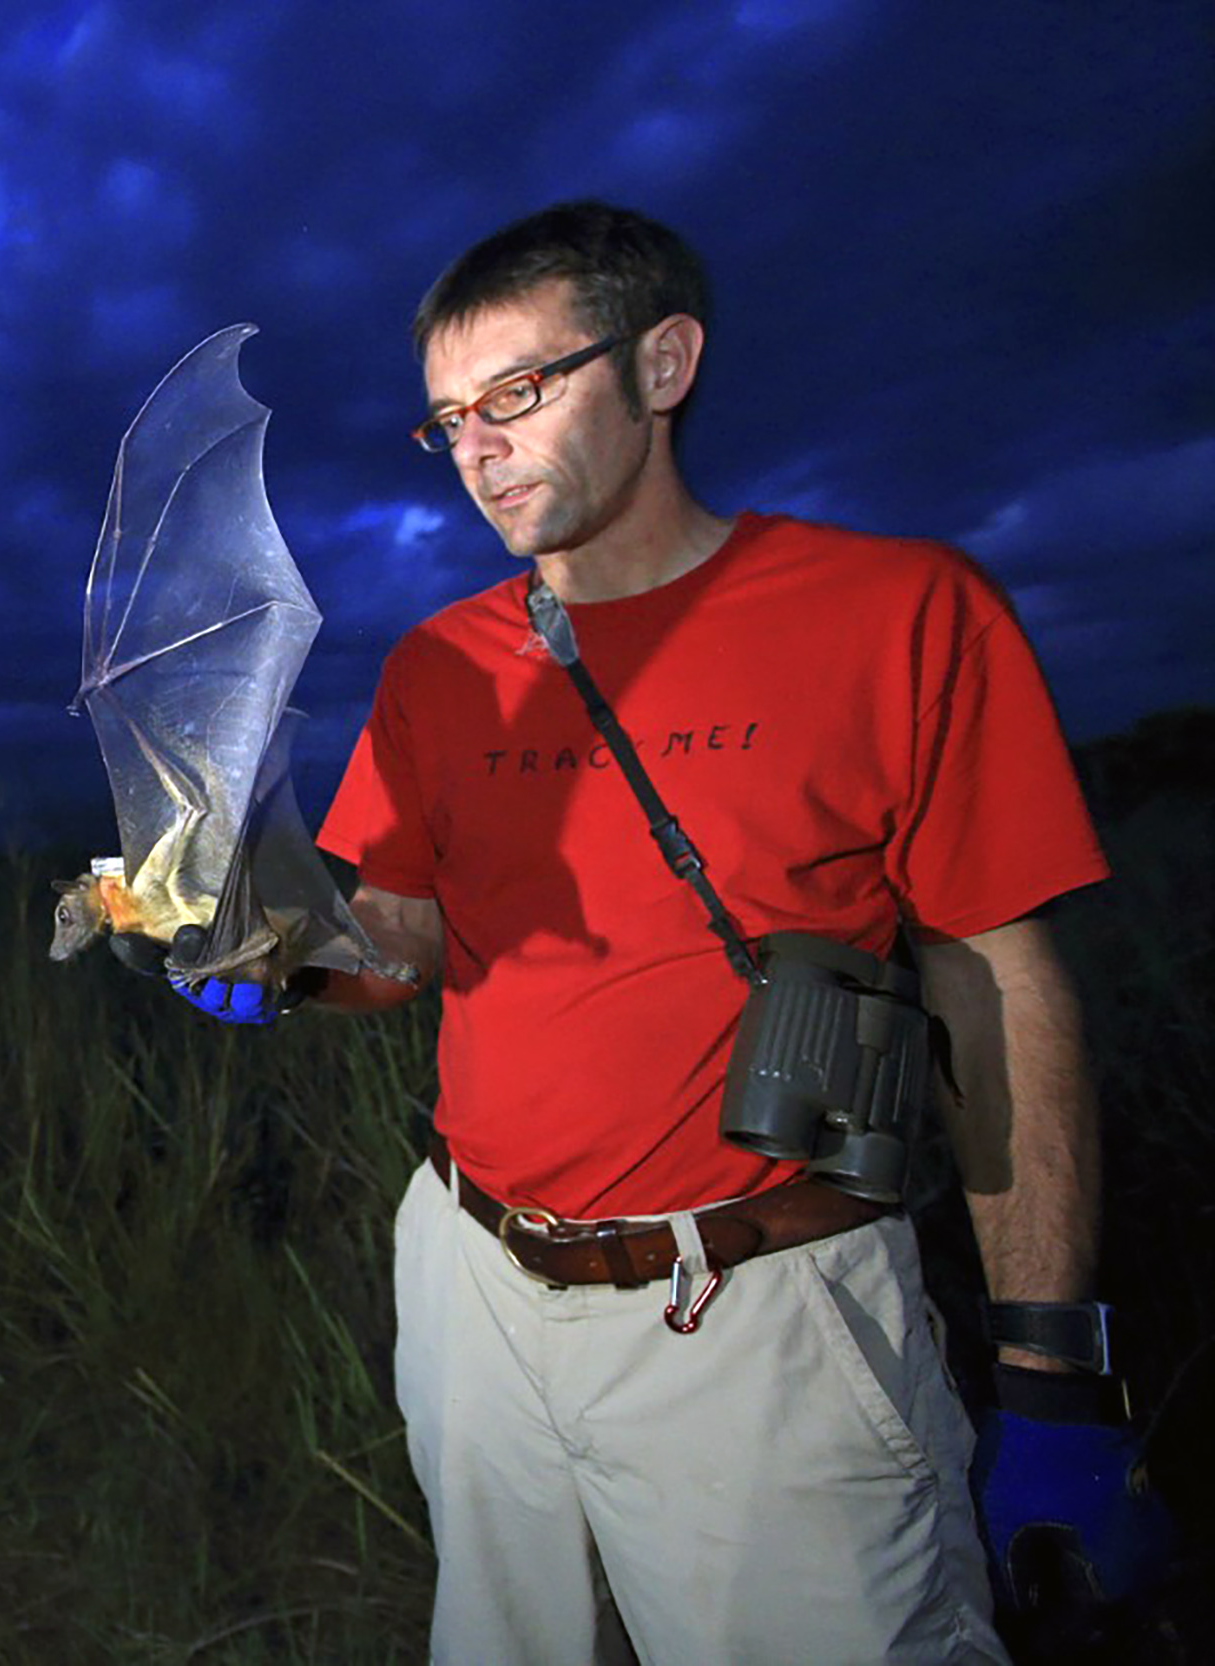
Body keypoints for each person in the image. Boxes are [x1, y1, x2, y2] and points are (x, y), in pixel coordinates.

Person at [172, 202, 1161, 1662]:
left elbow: (999, 976)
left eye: (518, 392)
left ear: (664, 362)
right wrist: (273, 955)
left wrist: (1049, 1363)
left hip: (761, 1302)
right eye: (449, 421)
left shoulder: (899, 613)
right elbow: (400, 940)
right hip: (471, 1282)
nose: (481, 448)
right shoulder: (443, 669)